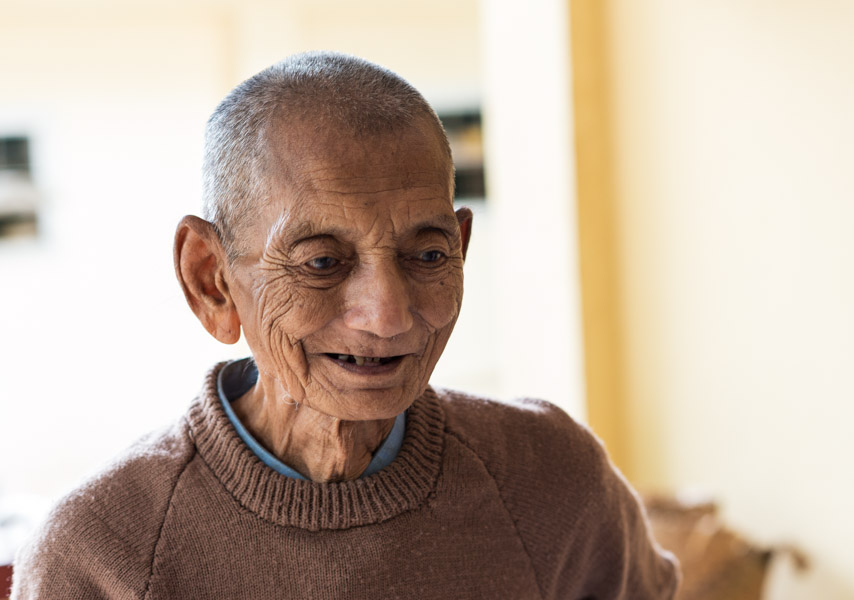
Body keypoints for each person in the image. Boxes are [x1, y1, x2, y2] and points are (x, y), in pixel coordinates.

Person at [12, 52, 679, 599]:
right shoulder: (102, 551)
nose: (387, 315)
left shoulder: (550, 476)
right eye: (322, 262)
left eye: (427, 256)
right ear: (212, 279)